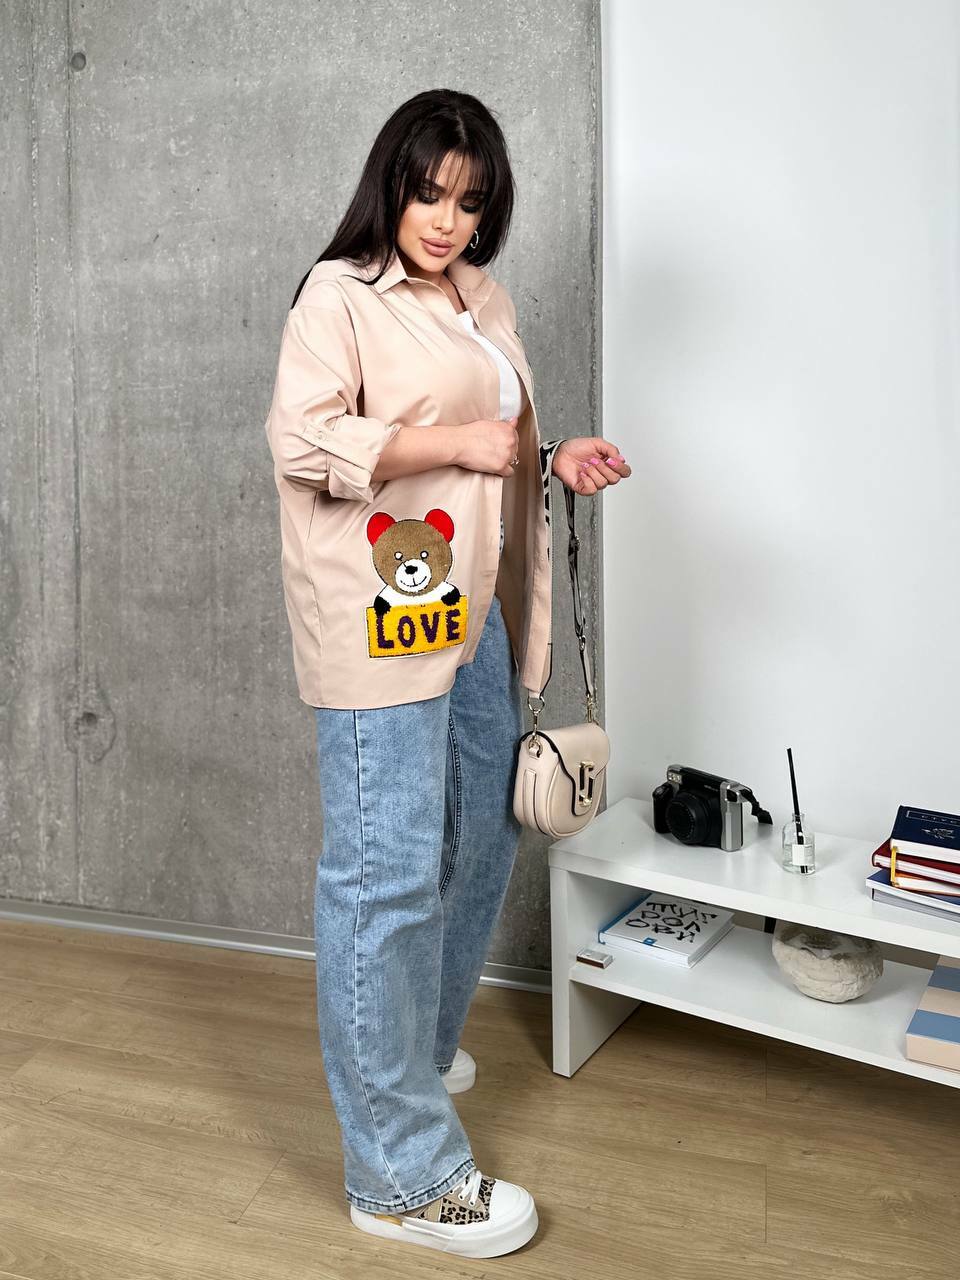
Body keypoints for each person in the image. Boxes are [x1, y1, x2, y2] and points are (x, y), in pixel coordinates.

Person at [263, 88, 631, 1260]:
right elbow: (302, 437)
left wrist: (547, 453)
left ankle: (412, 1052)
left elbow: (492, 430)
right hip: (383, 611)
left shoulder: (481, 296)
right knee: (384, 874)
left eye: (469, 202)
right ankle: (399, 1172)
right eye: (429, 193)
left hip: (472, 610)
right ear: (393, 185)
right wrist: (451, 444)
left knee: (479, 836)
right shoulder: (339, 294)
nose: (445, 220)